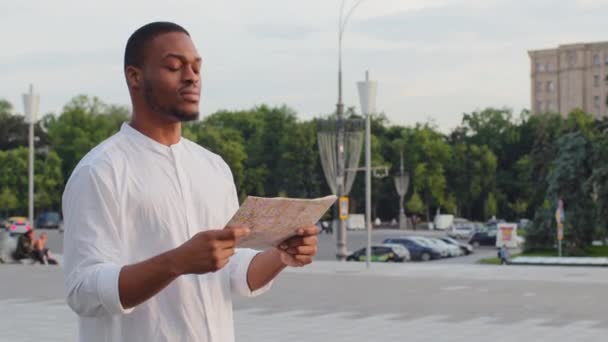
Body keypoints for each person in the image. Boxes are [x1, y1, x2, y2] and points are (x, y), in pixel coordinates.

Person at [62, 22, 320, 342]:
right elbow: (82, 290)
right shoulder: (100, 171)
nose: (191, 76)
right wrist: (177, 262)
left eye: (197, 67)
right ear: (135, 76)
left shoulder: (213, 168)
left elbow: (232, 271)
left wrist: (280, 256)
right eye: (174, 66)